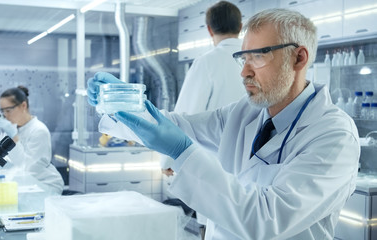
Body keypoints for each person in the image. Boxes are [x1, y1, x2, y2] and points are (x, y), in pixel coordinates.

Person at [87, 8, 360, 240]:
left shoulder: (334, 135)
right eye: (243, 58)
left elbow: (266, 219)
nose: (244, 71)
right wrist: (123, 106)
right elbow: (179, 126)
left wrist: (183, 153)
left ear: (299, 58)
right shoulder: (245, 113)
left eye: (258, 56)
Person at [162, 0, 245, 176]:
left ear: (209, 29)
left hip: (216, 164)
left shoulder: (206, 62)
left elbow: (186, 114)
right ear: (240, 26)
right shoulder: (259, 60)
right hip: (254, 161)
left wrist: (169, 159)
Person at [0, 86, 64, 195]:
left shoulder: (39, 130)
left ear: (23, 105)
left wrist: (14, 138)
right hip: (27, 184)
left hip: (45, 186)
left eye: (8, 110)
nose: (5, 116)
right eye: (2, 111)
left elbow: (27, 167)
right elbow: (7, 160)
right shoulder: (15, 129)